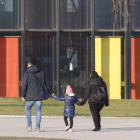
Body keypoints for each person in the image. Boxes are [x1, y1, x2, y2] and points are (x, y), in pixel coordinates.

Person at [21, 58, 54, 132]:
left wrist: (23, 95)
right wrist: (51, 92)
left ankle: (29, 126)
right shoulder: (42, 72)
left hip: (29, 96)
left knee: (27, 109)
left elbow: (24, 85)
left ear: (29, 64)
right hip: (39, 95)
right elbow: (47, 83)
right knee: (38, 110)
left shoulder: (27, 73)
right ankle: (37, 127)